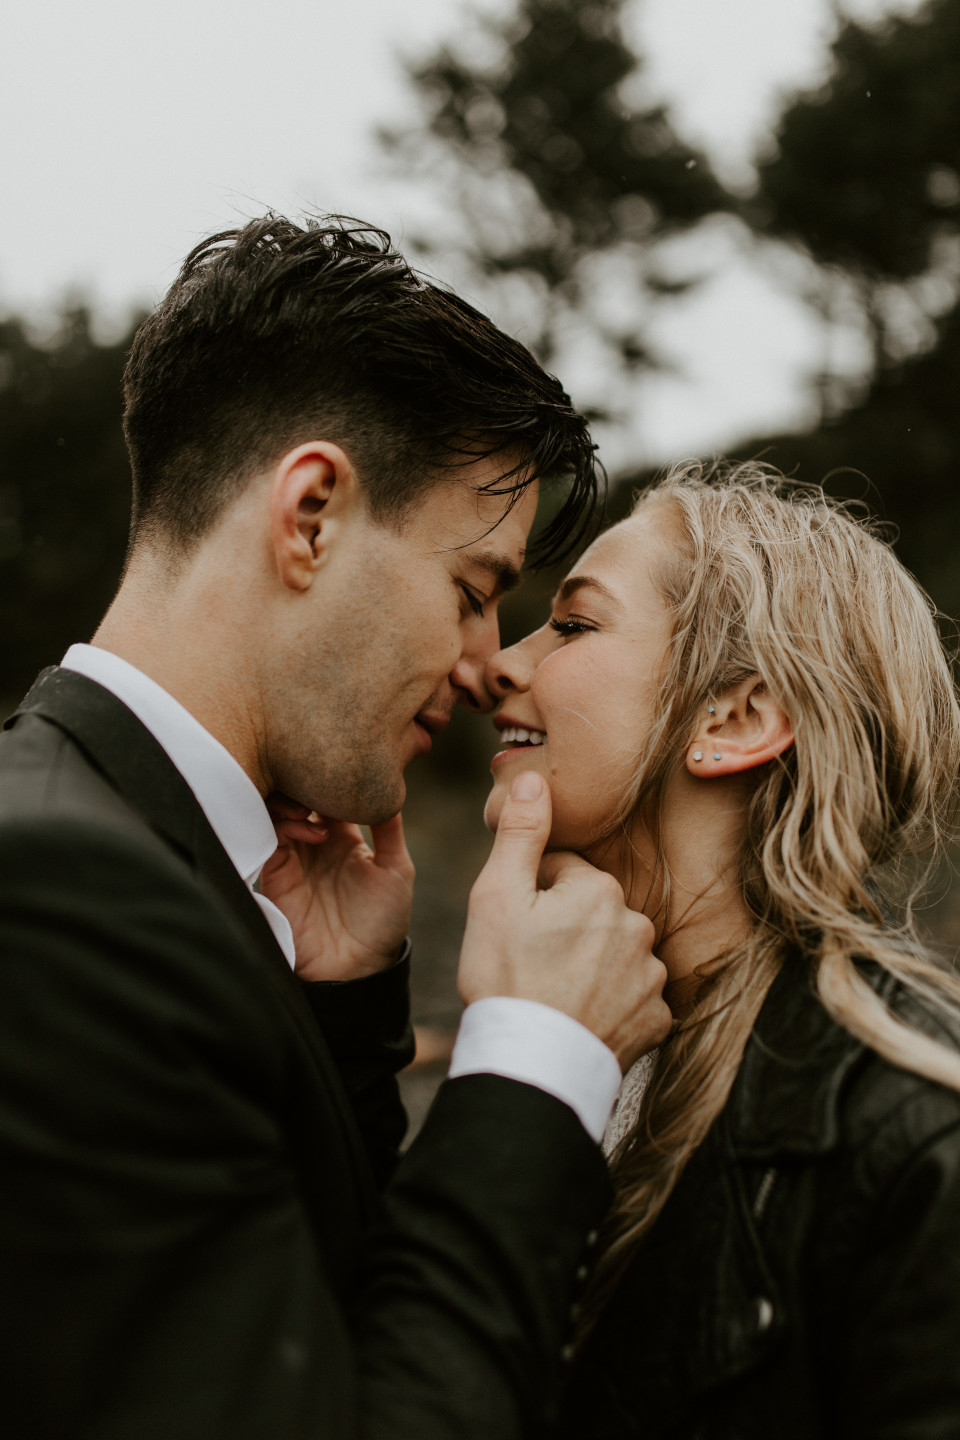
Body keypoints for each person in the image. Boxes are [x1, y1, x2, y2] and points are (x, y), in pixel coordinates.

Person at [0, 215, 672, 1440]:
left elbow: (293, 1319)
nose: (488, 668)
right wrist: (536, 1063)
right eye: (473, 591)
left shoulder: (145, 854)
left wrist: (347, 1017)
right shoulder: (60, 900)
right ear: (309, 513)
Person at [481, 461, 960, 1438]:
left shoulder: (915, 1145)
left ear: (734, 718)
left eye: (572, 625)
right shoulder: (587, 1056)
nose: (500, 663)